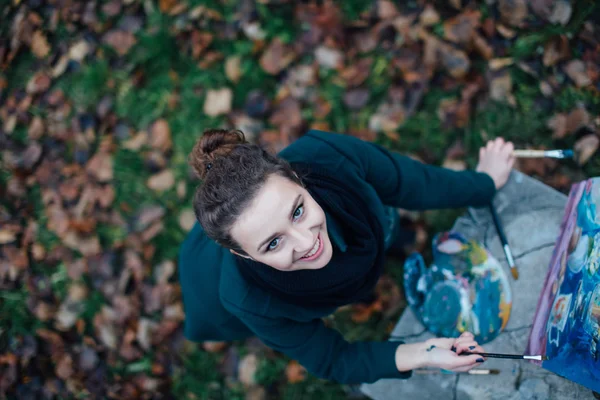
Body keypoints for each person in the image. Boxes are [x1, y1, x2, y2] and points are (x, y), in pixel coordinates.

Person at [178, 128, 515, 384]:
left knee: (382, 226)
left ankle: (389, 243)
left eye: (297, 211)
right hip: (213, 287)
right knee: (259, 323)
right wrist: (423, 354)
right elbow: (332, 359)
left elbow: (410, 183)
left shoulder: (330, 155)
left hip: (358, 228)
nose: (305, 241)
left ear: (296, 177)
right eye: (272, 244)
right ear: (241, 253)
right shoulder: (249, 300)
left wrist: (482, 183)